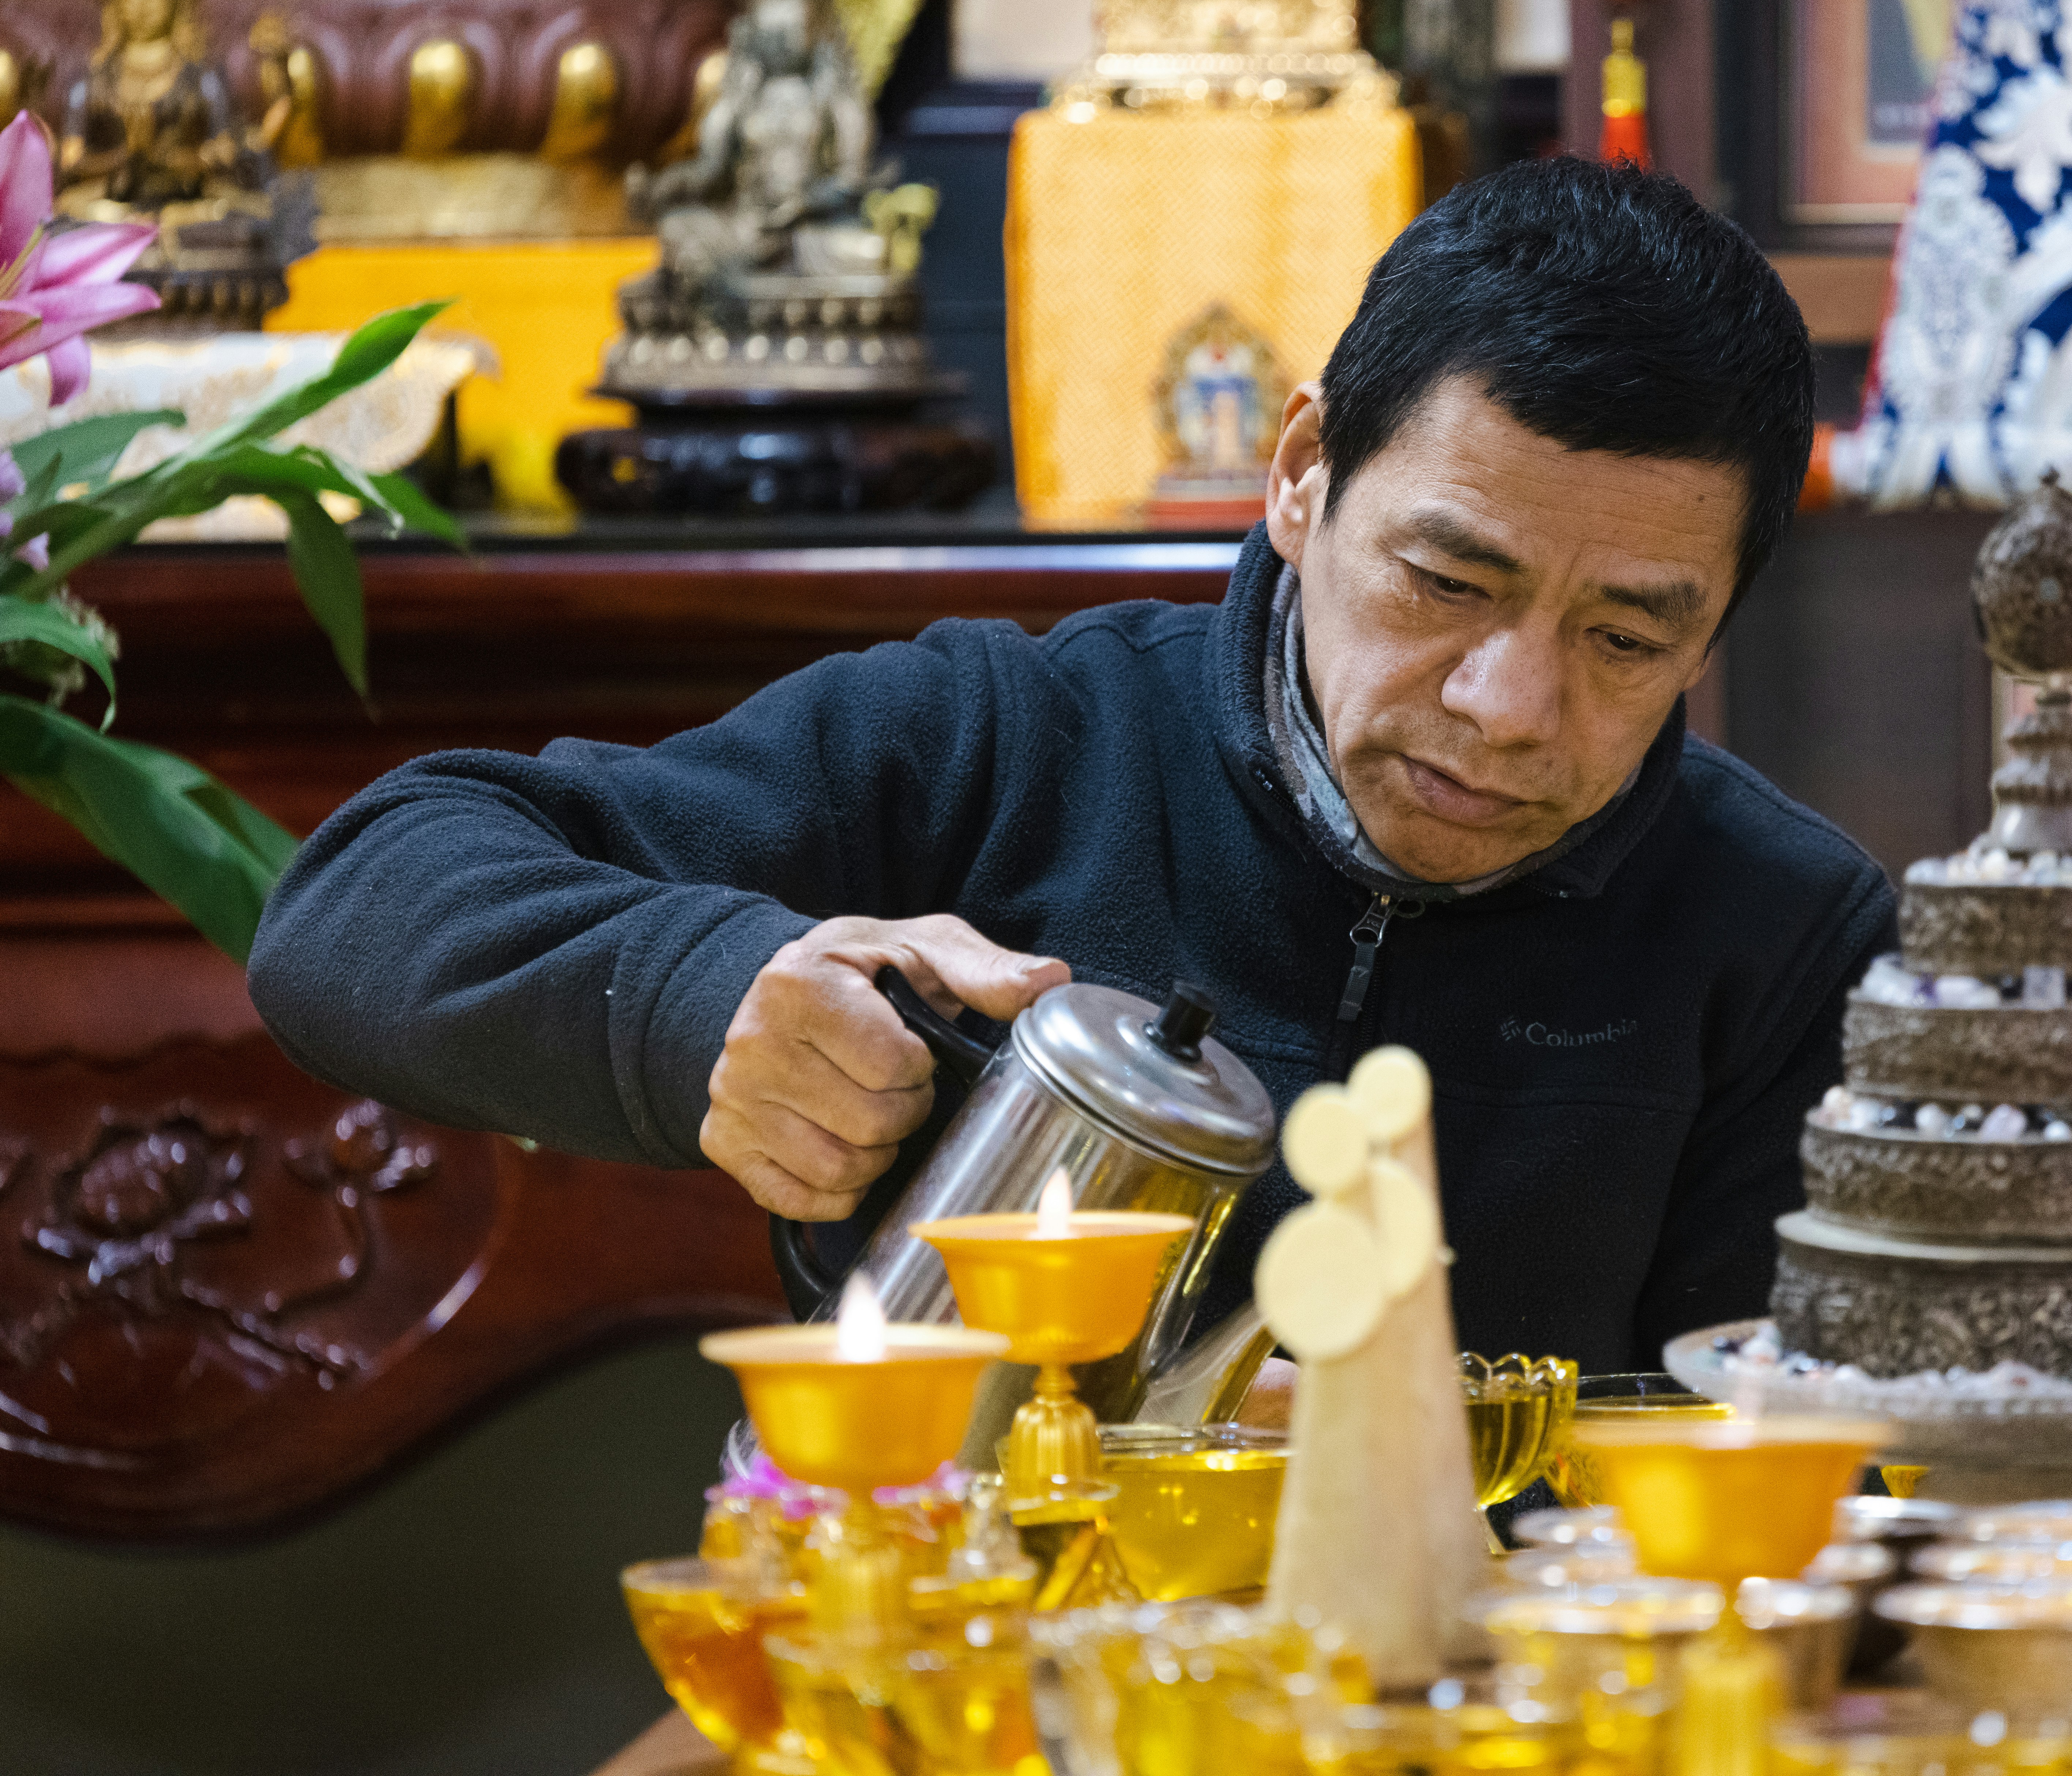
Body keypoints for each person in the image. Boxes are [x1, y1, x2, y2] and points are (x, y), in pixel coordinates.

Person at [247, 159, 1896, 1377]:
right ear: (1305, 471)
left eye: (1626, 638)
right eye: (1446, 582)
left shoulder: (1785, 936)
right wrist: (705, 998)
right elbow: (356, 899)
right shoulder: (1004, 741)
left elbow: (1732, 1489)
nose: (1508, 703)